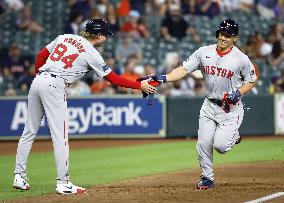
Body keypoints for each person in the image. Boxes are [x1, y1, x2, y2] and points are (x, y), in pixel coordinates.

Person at [13, 18, 157, 194]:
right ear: (97, 35)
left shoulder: (65, 37)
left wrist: (39, 78)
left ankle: (19, 176)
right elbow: (113, 79)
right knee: (61, 137)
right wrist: (139, 85)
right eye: (105, 34)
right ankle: (63, 182)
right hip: (55, 85)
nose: (106, 38)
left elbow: (40, 56)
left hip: (39, 80)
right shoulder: (92, 53)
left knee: (29, 131)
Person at [139, 19, 257, 189]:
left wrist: (238, 92)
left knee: (221, 146)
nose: (223, 37)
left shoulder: (241, 59)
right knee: (203, 143)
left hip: (230, 109)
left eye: (228, 35)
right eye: (222, 33)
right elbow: (184, 69)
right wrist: (164, 78)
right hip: (209, 104)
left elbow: (251, 80)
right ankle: (207, 178)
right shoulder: (204, 52)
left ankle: (235, 137)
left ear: (235, 38)